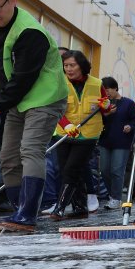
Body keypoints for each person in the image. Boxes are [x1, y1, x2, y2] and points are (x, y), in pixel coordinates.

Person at [0, 0, 68, 232]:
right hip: (18, 102)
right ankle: (17, 209)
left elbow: (24, 76)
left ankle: (28, 214)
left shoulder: (30, 32)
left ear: (11, 0)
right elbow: (1, 69)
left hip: (44, 99)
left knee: (30, 150)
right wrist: (3, 102)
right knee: (9, 157)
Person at [49, 50, 109, 220]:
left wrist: (106, 105)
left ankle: (60, 207)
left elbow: (105, 107)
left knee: (71, 169)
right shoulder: (59, 83)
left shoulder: (97, 84)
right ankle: (80, 207)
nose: (68, 69)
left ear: (81, 65)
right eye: (66, 65)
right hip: (64, 133)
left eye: (72, 65)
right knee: (68, 171)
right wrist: (66, 124)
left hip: (88, 135)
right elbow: (55, 108)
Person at [98, 76, 135, 209]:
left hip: (122, 142)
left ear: (115, 88)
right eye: (103, 90)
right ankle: (112, 195)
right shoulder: (103, 104)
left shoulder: (128, 103)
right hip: (105, 141)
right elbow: (98, 120)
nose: (106, 92)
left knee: (116, 170)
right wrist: (106, 113)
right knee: (104, 170)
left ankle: (116, 198)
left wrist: (130, 127)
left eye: (108, 89)